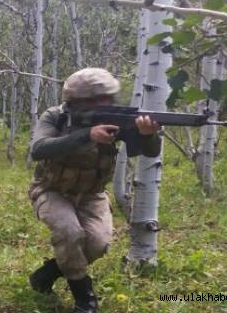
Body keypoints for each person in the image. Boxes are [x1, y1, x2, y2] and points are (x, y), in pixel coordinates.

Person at [27, 68, 161, 313]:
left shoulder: (119, 119)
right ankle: (85, 300)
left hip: (92, 193)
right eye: (96, 100)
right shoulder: (55, 116)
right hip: (51, 189)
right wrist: (88, 135)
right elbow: (39, 149)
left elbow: (150, 152)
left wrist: (147, 135)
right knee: (70, 233)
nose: (104, 104)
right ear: (75, 101)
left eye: (107, 98)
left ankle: (47, 274)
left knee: (98, 244)